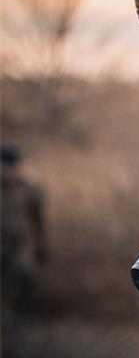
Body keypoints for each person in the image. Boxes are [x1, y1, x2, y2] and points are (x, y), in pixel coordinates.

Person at [1, 144, 47, 356]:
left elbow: (38, 221)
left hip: (16, 251)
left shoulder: (27, 188)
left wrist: (40, 247)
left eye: (9, 166)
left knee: (13, 297)